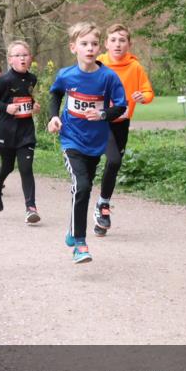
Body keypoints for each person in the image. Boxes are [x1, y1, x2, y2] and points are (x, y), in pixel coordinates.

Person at [47, 22, 127, 264]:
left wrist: (103, 115)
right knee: (81, 185)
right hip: (71, 139)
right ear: (74, 48)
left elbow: (121, 105)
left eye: (93, 44)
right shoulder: (66, 75)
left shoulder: (108, 77)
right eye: (84, 44)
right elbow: (55, 94)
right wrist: (53, 116)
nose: (89, 48)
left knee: (85, 187)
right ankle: (80, 244)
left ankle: (73, 230)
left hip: (96, 141)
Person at [92, 23, 155, 236]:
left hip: (122, 122)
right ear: (106, 44)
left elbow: (148, 92)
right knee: (113, 161)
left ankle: (102, 208)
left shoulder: (135, 67)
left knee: (113, 165)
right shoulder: (98, 64)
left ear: (129, 44)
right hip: (101, 120)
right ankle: (99, 205)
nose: (118, 44)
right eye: (113, 40)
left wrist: (141, 97)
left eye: (122, 40)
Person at [0, 40, 41, 224]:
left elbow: (27, 98)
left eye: (25, 55)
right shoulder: (5, 80)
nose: (22, 58)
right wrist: (5, 107)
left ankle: (30, 208)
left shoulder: (32, 78)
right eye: (18, 55)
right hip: (7, 130)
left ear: (30, 58)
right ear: (10, 60)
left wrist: (34, 105)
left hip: (26, 131)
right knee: (8, 166)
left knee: (26, 168)